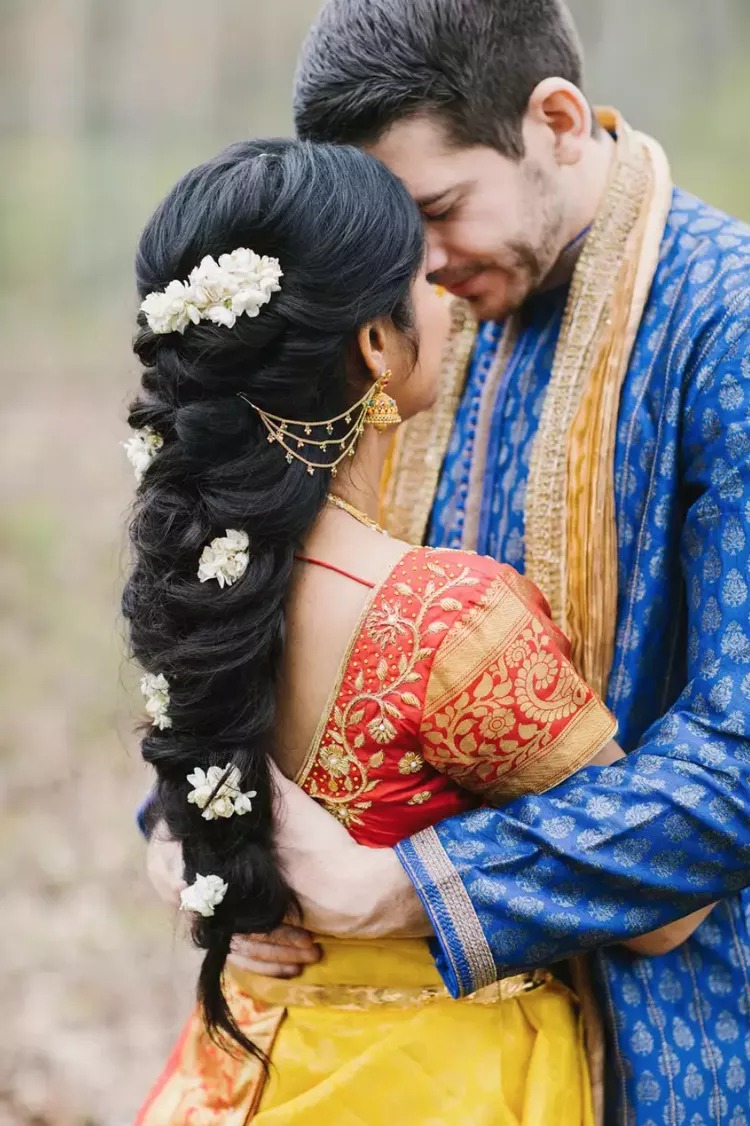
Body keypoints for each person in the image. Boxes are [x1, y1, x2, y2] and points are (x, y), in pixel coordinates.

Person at [161, 2, 750, 1123]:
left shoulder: (729, 327)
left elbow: (743, 750)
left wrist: (409, 887)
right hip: (389, 1050)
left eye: (436, 209)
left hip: (687, 1024)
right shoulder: (409, 317)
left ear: (559, 120)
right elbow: (265, 583)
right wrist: (200, 837)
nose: (416, 266)